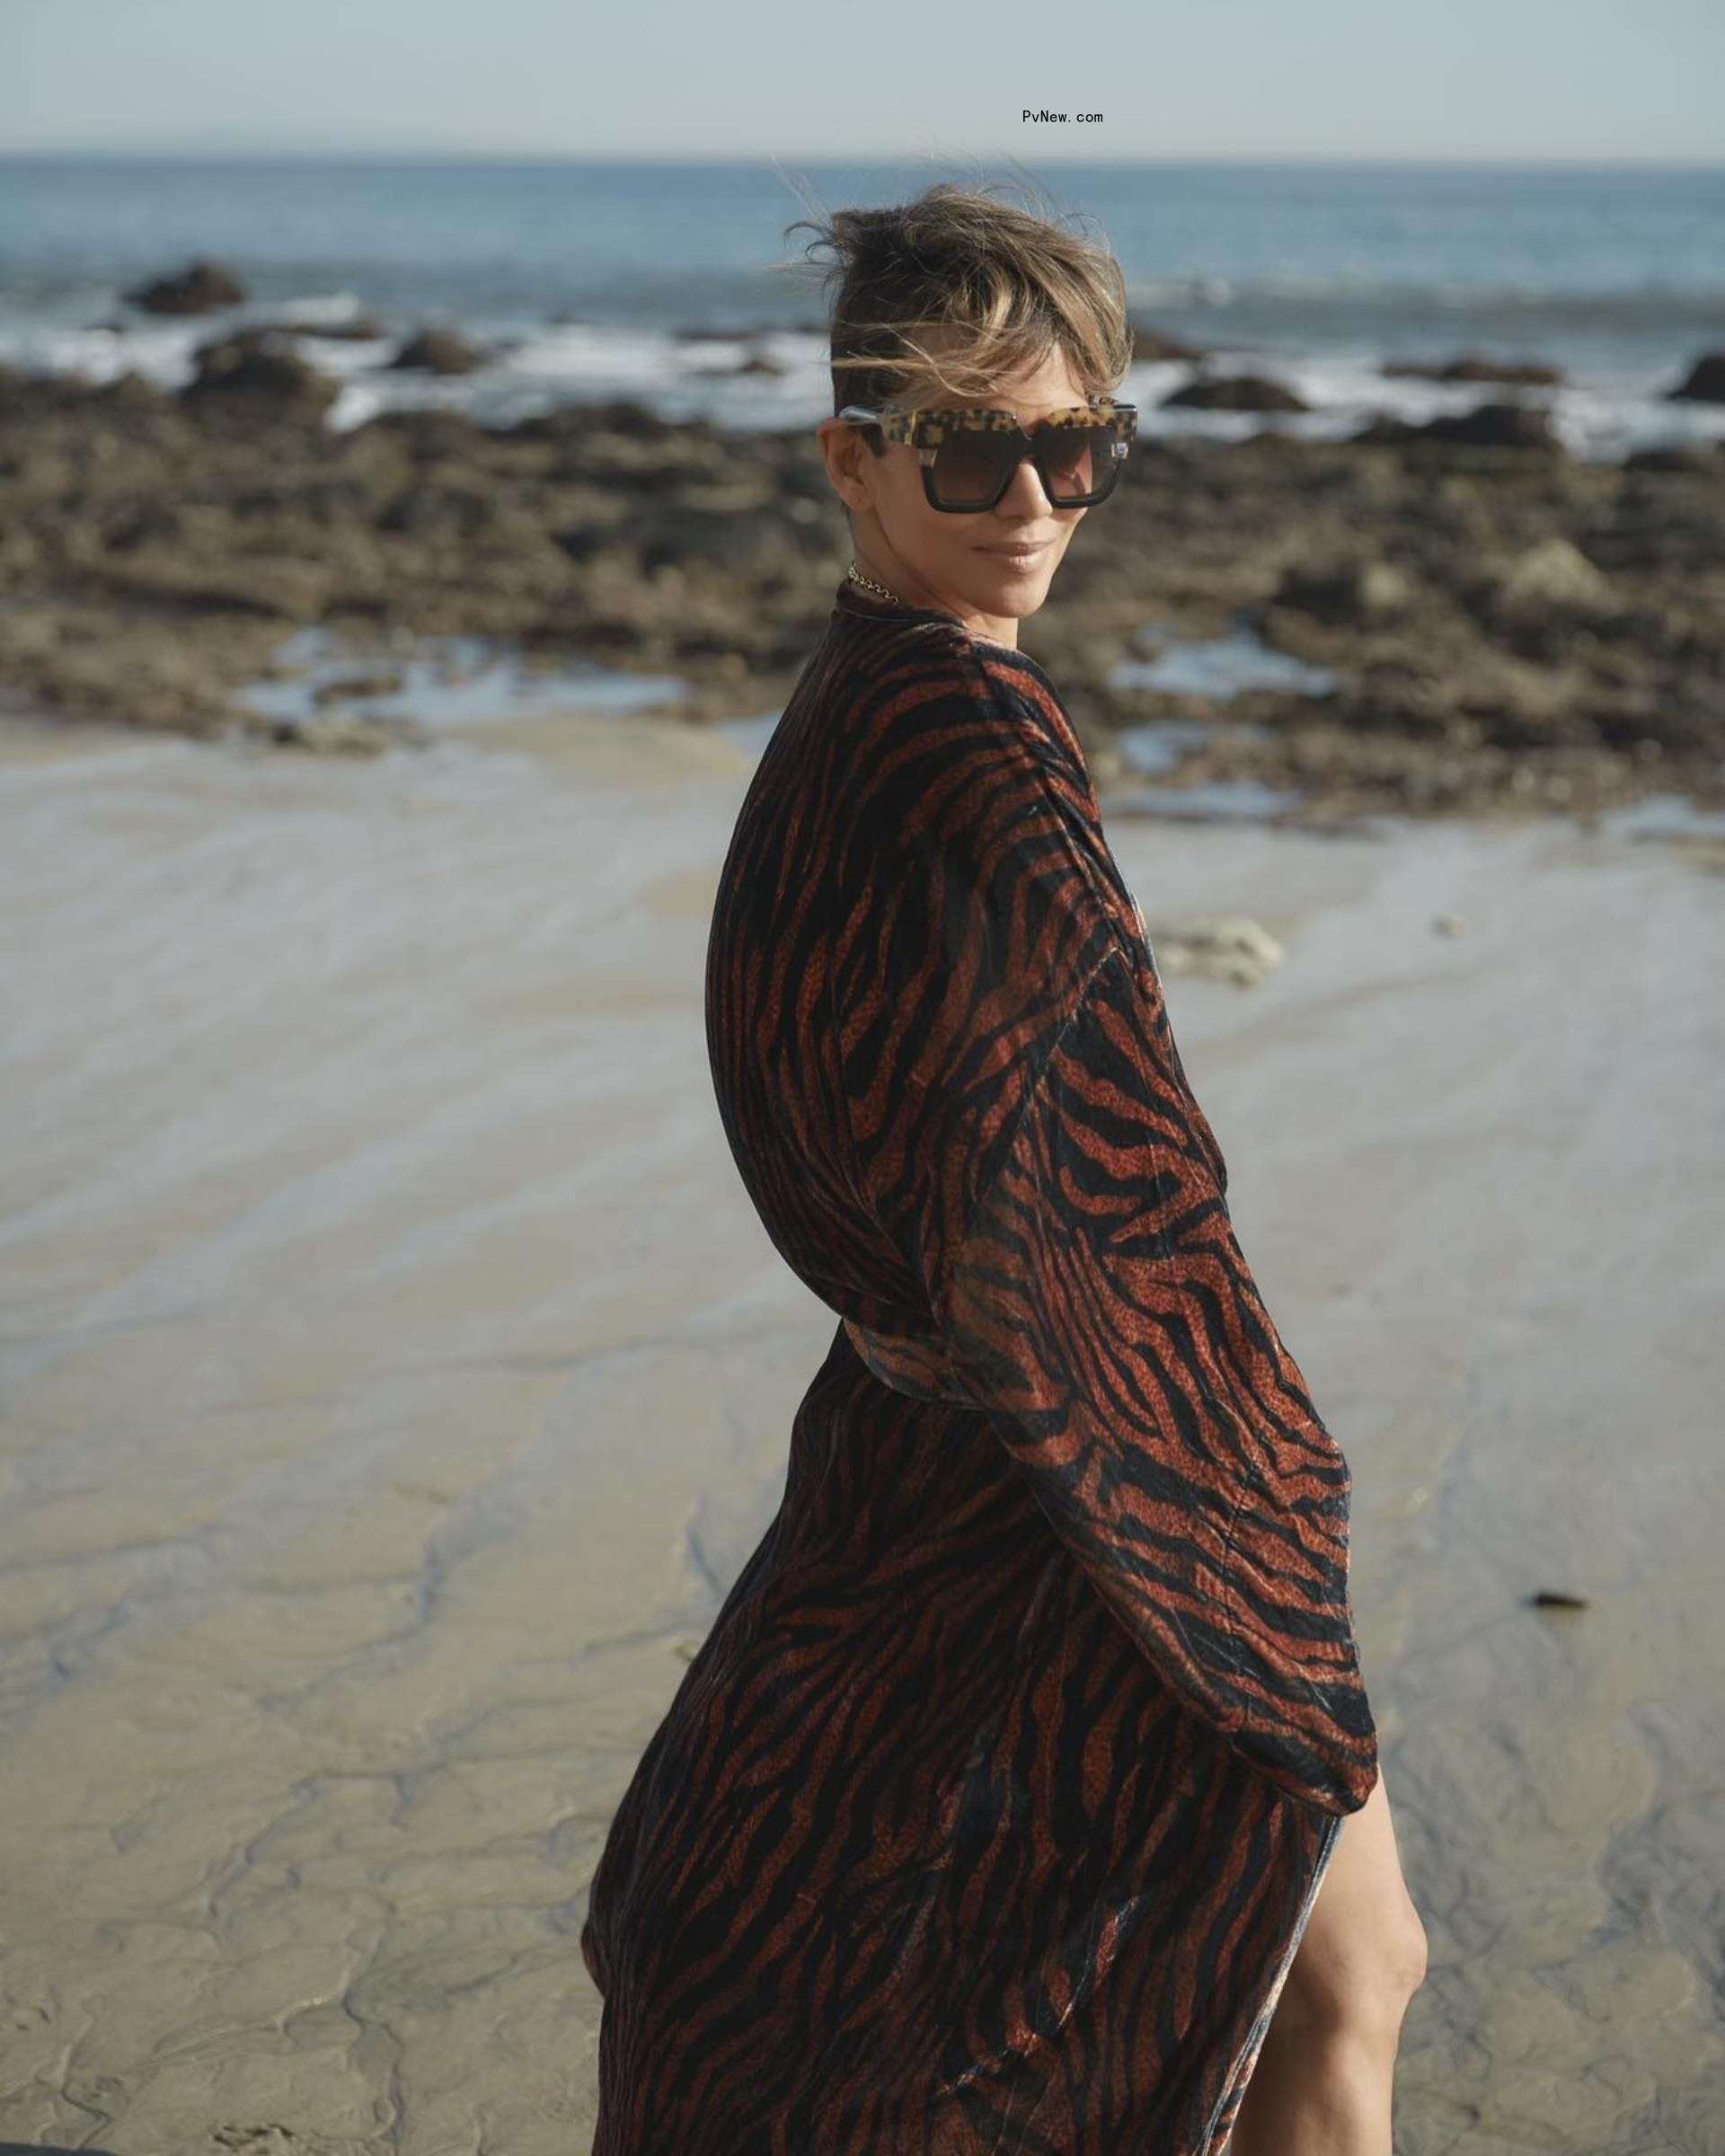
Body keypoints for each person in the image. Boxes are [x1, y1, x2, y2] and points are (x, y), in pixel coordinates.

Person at [581, 180, 1427, 2156]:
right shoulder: (976, 762)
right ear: (853, 463)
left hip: (919, 1458)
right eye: (975, 448)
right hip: (1090, 1512)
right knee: (1308, 1987)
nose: (1033, 498)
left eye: (1079, 445)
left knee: (872, 1984)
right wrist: (1273, 1516)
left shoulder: (854, 709)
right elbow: (1102, 1229)